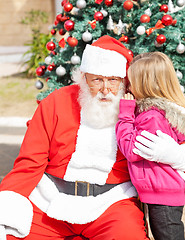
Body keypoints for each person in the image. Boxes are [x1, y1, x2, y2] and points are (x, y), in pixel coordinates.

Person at [0, 36, 149, 240]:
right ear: (84, 78)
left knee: (128, 235)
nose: (106, 89)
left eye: (113, 80)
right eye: (97, 80)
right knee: (11, 230)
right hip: (50, 199)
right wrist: (10, 198)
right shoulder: (56, 102)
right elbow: (30, 161)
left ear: (124, 81)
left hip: (111, 202)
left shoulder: (138, 108)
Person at [116, 51, 185, 240]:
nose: (128, 87)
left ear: (144, 84)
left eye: (131, 81)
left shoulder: (152, 117)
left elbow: (131, 149)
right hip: (161, 192)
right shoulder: (163, 112)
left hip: (161, 194)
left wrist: (125, 114)